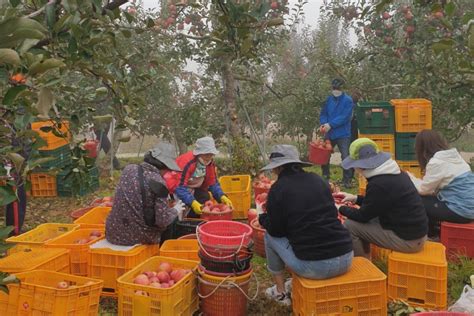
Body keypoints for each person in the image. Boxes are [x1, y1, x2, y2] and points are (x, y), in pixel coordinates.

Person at [258, 144, 353, 306]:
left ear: (277, 168)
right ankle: (291, 283)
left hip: (316, 267)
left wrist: (262, 216)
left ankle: (280, 293)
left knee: (269, 235)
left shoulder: (278, 189)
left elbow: (277, 230)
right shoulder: (319, 181)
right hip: (346, 258)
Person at [336, 138, 428, 258]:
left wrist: (339, 208)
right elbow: (378, 203)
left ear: (361, 166)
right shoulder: (394, 173)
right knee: (367, 220)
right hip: (416, 234)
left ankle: (364, 263)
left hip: (408, 241)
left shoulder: (378, 184)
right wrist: (355, 198)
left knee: (350, 225)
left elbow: (362, 216)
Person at [105, 142, 184, 246]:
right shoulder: (158, 182)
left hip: (113, 232)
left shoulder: (129, 169)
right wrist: (176, 210)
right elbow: (162, 220)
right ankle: (161, 251)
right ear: (164, 166)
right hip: (137, 237)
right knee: (172, 222)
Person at [408, 130, 474, 238]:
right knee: (430, 200)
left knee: (416, 200)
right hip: (470, 208)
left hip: (461, 211)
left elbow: (424, 190)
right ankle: (434, 232)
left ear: (422, 148)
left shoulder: (436, 162)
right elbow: (433, 189)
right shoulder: (456, 157)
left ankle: (428, 235)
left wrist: (410, 177)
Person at [172, 136, 233, 217]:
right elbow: (179, 187)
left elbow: (212, 183)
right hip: (178, 189)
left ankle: (199, 221)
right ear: (199, 153)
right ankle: (188, 221)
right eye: (206, 154)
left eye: (211, 154)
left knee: (204, 197)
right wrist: (192, 202)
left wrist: (221, 196)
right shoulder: (186, 162)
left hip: (196, 188)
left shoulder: (209, 163)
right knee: (184, 208)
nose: (209, 157)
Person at [319, 78, 354, 188]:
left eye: (337, 88)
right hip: (329, 133)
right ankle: (325, 177)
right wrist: (324, 124)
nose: (335, 90)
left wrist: (331, 125)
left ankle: (347, 180)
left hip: (343, 134)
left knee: (345, 156)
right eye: (334, 88)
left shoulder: (348, 100)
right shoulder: (329, 100)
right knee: (324, 155)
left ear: (341, 88)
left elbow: (345, 117)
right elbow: (323, 113)